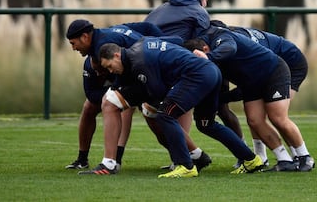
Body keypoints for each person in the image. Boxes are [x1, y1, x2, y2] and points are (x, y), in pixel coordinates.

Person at [97, 38, 263, 178]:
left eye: (110, 66)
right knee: (207, 124)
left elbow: (157, 91)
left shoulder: (140, 62)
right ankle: (251, 159)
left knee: (164, 115)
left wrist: (139, 100)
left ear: (117, 55)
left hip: (197, 75)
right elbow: (175, 42)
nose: (111, 71)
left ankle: (186, 166)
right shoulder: (139, 47)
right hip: (211, 71)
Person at [66, 19, 211, 175]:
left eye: (73, 43)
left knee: (112, 104)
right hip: (148, 76)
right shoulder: (106, 37)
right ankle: (196, 155)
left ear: (85, 37)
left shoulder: (103, 46)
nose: (73, 48)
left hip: (152, 76)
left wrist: (157, 45)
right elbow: (146, 27)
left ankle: (110, 163)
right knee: (150, 112)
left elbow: (141, 46)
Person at [184, 26, 315, 172]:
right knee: (254, 120)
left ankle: (305, 156)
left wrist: (209, 58)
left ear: (205, 48)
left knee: (277, 117)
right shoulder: (209, 53)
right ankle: (284, 159)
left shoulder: (222, 37)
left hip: (272, 71)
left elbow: (230, 47)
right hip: (251, 81)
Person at [144, 0, 245, 167]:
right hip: (186, 65)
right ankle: (243, 155)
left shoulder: (158, 9)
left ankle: (113, 161)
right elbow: (202, 42)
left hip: (151, 64)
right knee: (219, 108)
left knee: (154, 110)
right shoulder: (198, 10)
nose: (206, 4)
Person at [214, 20, 310, 166]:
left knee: (277, 116)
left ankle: (301, 156)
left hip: (290, 64)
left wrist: (224, 98)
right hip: (262, 72)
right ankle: (262, 156)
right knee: (255, 118)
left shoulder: (239, 46)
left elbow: (250, 81)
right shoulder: (231, 40)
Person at [65, 56, 135, 170]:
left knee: (131, 108)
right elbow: (91, 95)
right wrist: (110, 94)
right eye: (96, 70)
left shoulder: (120, 63)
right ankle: (82, 159)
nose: (98, 74)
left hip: (140, 86)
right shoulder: (89, 65)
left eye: (101, 69)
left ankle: (116, 158)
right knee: (88, 107)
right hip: (116, 88)